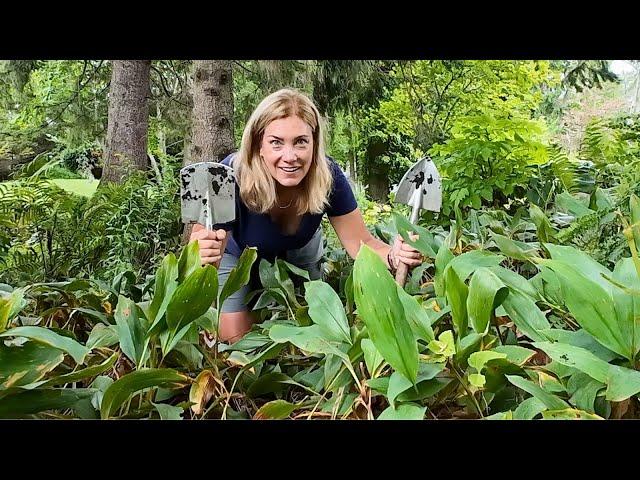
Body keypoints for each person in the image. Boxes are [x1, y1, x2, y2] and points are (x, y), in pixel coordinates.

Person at [190, 88, 422, 342]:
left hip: (301, 249)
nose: (290, 157)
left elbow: (362, 244)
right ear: (258, 146)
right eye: (276, 142)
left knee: (313, 333)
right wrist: (203, 255)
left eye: (300, 141)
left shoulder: (328, 176)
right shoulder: (226, 176)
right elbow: (198, 250)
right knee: (236, 341)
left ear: (314, 143)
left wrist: (393, 255)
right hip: (238, 253)